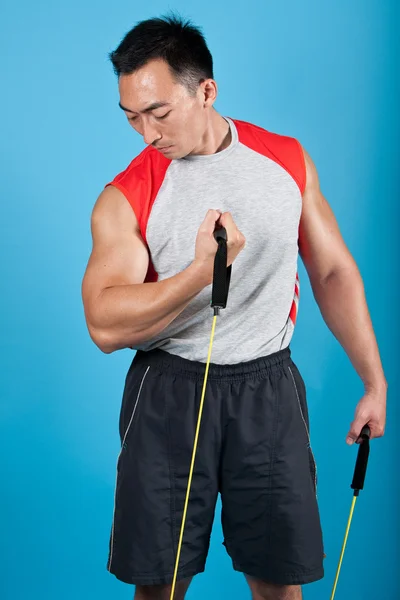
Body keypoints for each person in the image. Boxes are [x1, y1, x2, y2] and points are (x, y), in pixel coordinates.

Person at [81, 13, 387, 600]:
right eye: (131, 117)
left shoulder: (285, 161)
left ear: (205, 91)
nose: (146, 133)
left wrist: (374, 382)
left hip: (266, 388)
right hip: (170, 389)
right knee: (159, 586)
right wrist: (200, 274)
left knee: (280, 584)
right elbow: (103, 323)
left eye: (159, 113)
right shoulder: (127, 194)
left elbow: (331, 270)